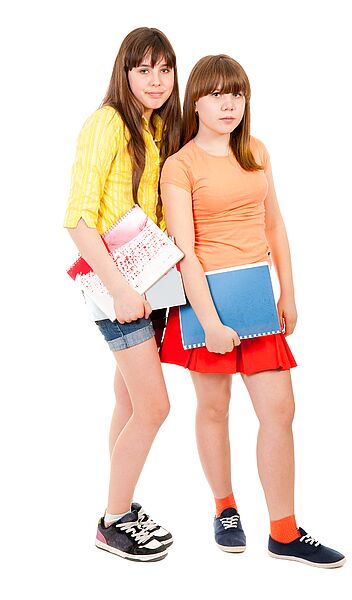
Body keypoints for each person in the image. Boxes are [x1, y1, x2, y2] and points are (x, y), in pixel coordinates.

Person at [159, 54, 345, 568]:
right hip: (207, 303)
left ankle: (284, 531)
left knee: (279, 410)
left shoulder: (256, 151)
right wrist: (211, 322)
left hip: (259, 299)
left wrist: (288, 292)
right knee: (214, 409)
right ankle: (225, 509)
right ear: (195, 99)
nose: (228, 104)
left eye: (237, 94)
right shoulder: (181, 165)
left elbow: (275, 226)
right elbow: (184, 250)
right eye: (217, 94)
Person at [64, 27, 181, 562]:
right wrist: (119, 290)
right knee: (155, 406)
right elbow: (79, 220)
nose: (155, 81)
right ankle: (112, 522)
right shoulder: (107, 122)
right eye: (143, 69)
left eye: (164, 69)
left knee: (130, 400)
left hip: (147, 284)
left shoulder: (154, 128)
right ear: (124, 72)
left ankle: (122, 504)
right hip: (119, 288)